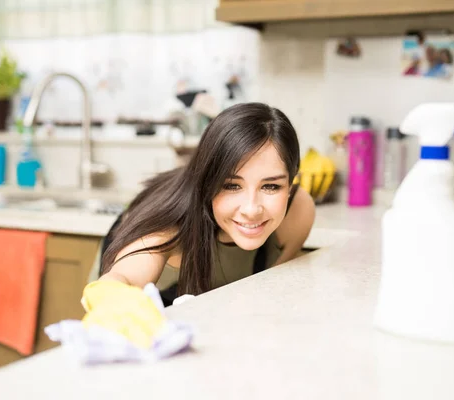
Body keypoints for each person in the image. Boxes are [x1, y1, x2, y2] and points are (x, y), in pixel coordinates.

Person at [99, 102, 316, 306]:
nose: (251, 209)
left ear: (290, 183)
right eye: (231, 186)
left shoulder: (298, 213)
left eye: (270, 186)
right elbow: (124, 279)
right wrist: (111, 294)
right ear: (207, 180)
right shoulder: (169, 226)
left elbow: (266, 290)